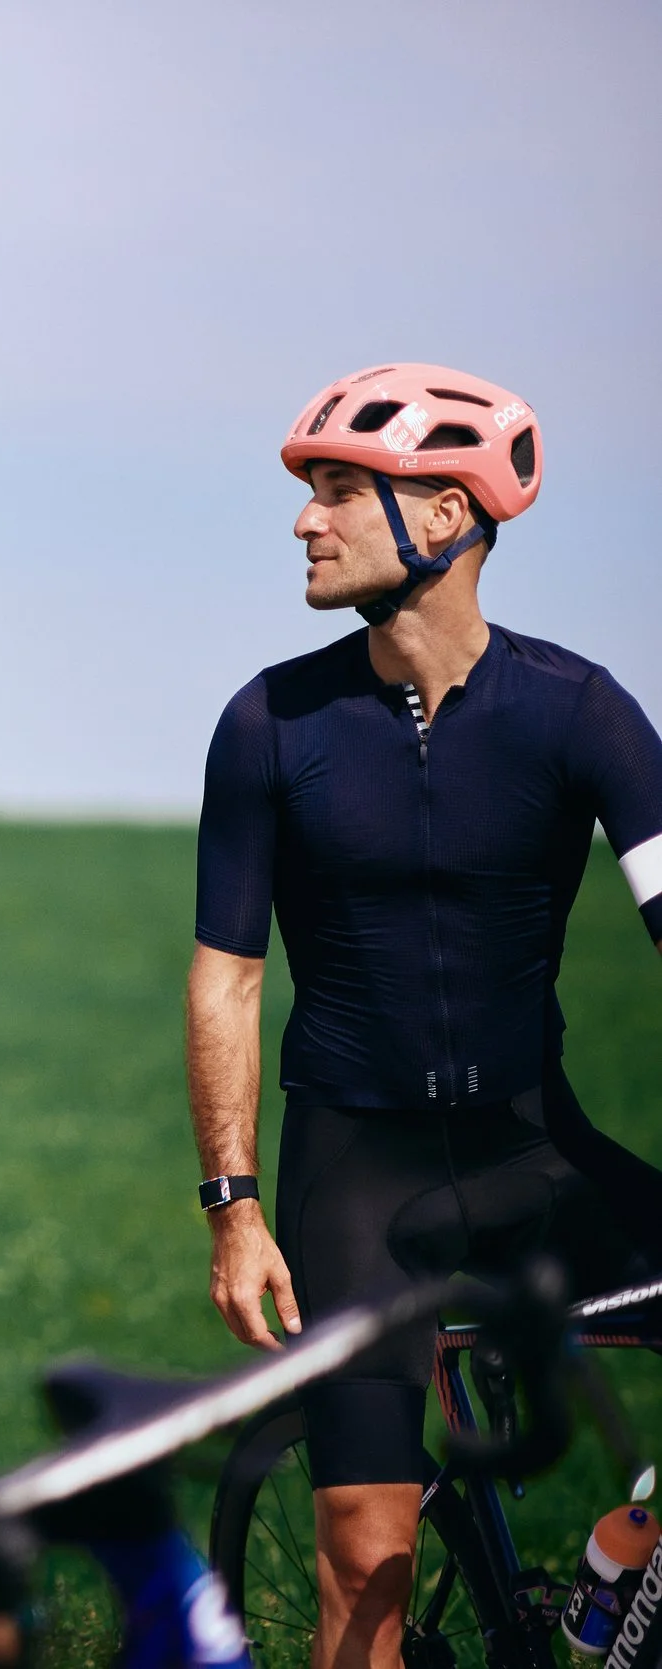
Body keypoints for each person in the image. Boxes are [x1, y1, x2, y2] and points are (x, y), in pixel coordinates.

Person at [189, 365, 662, 1668]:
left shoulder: (578, 710)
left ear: (447, 515)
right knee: (364, 1564)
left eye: (342, 490)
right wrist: (232, 1205)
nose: (306, 519)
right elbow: (227, 976)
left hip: (538, 1153)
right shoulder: (269, 723)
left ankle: (627, 1551)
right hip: (358, 1185)